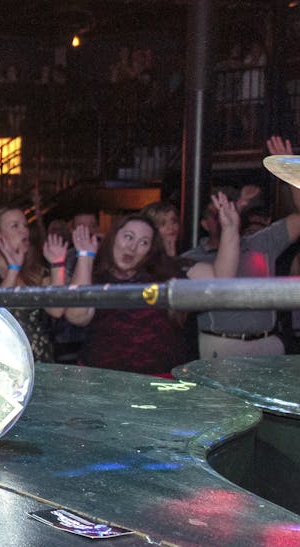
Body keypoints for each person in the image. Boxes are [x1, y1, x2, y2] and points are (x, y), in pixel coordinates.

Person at [66, 197, 239, 375]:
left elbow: (222, 281)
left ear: (151, 249)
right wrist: (85, 257)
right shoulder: (96, 273)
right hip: (101, 379)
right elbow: (77, 317)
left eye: (143, 242)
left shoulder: (170, 270)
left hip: (159, 381)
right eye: (128, 237)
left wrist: (230, 229)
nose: (133, 247)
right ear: (113, 237)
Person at [181, 137, 300, 359]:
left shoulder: (261, 242)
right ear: (204, 224)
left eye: (227, 207)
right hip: (222, 346)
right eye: (214, 212)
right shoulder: (192, 259)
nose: (222, 213)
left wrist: (292, 169)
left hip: (268, 345)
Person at [0, 206, 69, 362]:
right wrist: (13, 270)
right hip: (2, 362)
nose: (24, 231)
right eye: (15, 226)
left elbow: (57, 310)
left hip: (40, 360)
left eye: (25, 225)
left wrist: (56, 264)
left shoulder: (35, 270)